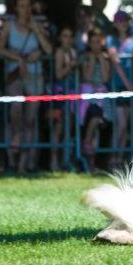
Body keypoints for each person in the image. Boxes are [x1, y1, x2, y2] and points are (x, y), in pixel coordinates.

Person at [0, 0, 52, 174]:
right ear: (16, 8)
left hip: (35, 76)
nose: (25, 9)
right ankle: (12, 157)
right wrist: (19, 58)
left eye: (28, 6)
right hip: (14, 74)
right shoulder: (9, 25)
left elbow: (48, 50)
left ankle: (27, 162)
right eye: (21, 6)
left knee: (30, 119)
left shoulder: (39, 25)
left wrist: (37, 32)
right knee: (15, 113)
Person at [107, 11, 133, 170]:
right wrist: (129, 84)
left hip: (131, 87)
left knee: (124, 125)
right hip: (117, 86)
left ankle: (119, 158)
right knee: (121, 125)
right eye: (119, 21)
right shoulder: (110, 40)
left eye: (124, 20)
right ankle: (113, 158)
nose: (121, 23)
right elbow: (116, 63)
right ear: (114, 23)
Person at [78, 28, 115, 171]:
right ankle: (87, 144)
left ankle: (94, 157)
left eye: (98, 42)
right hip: (87, 98)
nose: (95, 45)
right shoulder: (85, 57)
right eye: (92, 42)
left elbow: (106, 78)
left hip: (102, 97)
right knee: (94, 116)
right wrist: (93, 59)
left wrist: (100, 58)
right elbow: (87, 76)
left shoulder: (105, 58)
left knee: (100, 121)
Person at [49, 26, 78, 172]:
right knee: (58, 127)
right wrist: (71, 66)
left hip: (71, 93)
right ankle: (54, 160)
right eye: (65, 36)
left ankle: (65, 160)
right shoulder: (60, 52)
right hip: (60, 93)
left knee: (69, 127)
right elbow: (59, 74)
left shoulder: (73, 52)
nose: (68, 39)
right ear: (60, 38)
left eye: (70, 36)